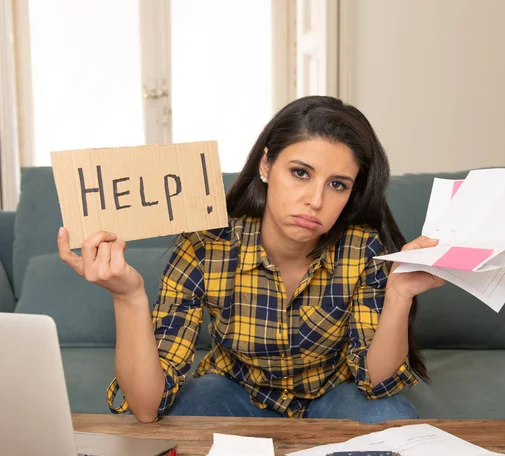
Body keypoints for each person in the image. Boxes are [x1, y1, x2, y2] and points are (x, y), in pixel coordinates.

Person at [57, 95, 444, 424]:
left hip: (331, 396)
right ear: (265, 166)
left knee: (388, 418)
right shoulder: (206, 244)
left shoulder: (363, 249)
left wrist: (398, 295)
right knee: (174, 422)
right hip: (235, 393)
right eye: (300, 173)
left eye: (337, 184)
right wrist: (128, 296)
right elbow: (145, 407)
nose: (316, 200)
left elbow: (375, 382)